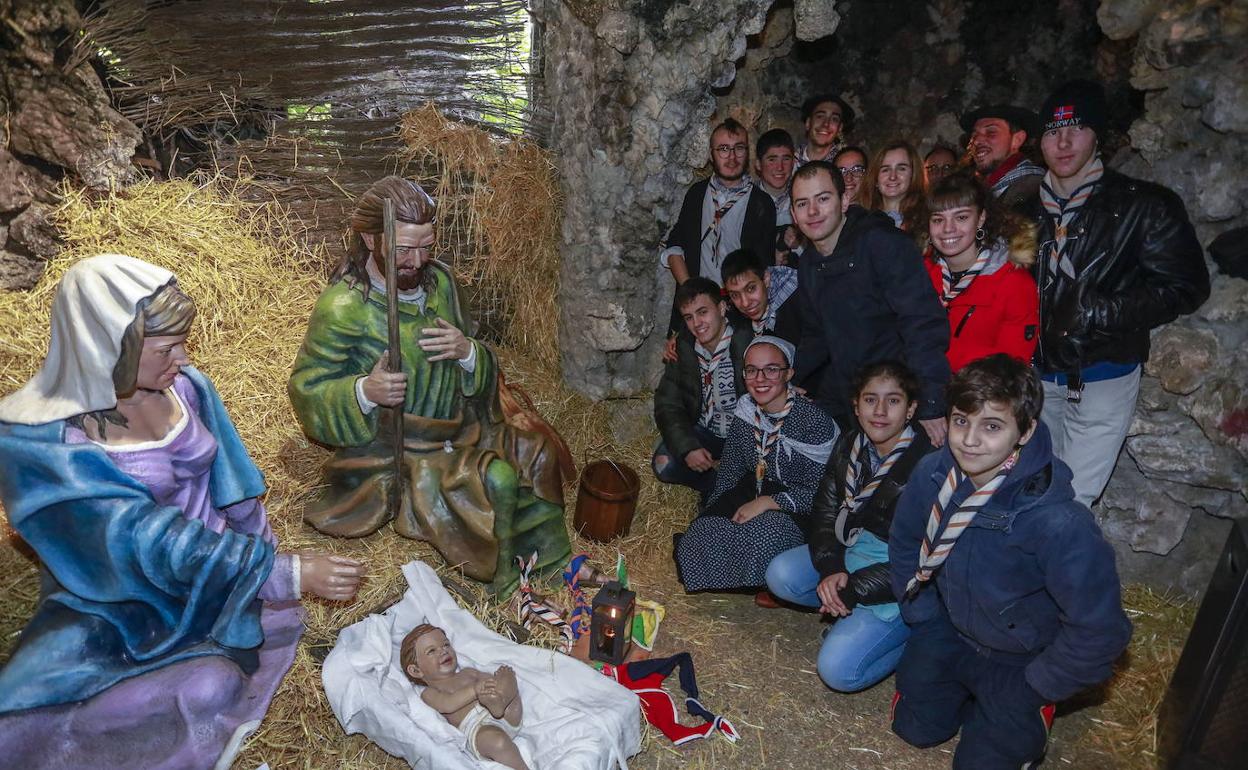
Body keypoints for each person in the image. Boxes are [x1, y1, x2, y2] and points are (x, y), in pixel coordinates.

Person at [0, 254, 365, 769]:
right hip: (119, 599)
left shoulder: (186, 387)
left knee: (211, 687)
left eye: (182, 342)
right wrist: (279, 574)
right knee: (26, 711)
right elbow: (136, 539)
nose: (184, 356)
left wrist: (264, 553)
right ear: (110, 350)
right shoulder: (48, 445)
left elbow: (232, 483)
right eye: (167, 347)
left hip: (214, 583)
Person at [288, 176, 571, 594]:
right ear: (371, 239)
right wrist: (366, 391)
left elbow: (480, 360)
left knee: (539, 453)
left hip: (465, 427)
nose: (418, 261)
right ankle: (507, 580)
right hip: (401, 450)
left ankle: (554, 564)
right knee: (497, 481)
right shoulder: (345, 308)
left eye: (426, 246)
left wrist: (468, 352)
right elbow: (306, 388)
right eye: (404, 249)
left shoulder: (442, 283)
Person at [888, 353, 1132, 770]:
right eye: (961, 420)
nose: (969, 440)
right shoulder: (934, 474)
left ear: (1026, 431)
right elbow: (906, 542)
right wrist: (923, 615)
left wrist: (1037, 685)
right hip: (949, 628)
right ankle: (967, 700)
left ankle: (1017, 716)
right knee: (914, 730)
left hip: (1018, 656)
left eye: (993, 426)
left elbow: (1100, 630)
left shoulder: (1059, 522)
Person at [1034, 80, 1209, 506]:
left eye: (1077, 128)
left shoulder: (1144, 205)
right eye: (1053, 131)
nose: (1063, 141)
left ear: (1097, 136)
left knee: (1071, 502)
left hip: (1103, 370)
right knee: (1035, 491)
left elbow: (1187, 287)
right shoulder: (1025, 209)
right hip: (1039, 376)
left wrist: (1100, 311)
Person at [765, 361, 933, 692]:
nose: (880, 411)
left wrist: (852, 588)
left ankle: (908, 634)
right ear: (856, 407)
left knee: (838, 672)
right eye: (870, 400)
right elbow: (825, 511)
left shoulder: (928, 465)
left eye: (894, 401)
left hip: (898, 574)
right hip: (851, 546)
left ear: (911, 409)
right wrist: (830, 567)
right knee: (780, 574)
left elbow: (918, 562)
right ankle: (842, 607)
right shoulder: (850, 444)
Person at [789, 161, 951, 445]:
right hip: (849, 397)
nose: (812, 211)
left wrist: (932, 401)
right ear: (793, 213)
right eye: (802, 204)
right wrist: (790, 381)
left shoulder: (883, 244)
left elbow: (922, 322)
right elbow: (816, 336)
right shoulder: (809, 264)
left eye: (823, 199)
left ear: (844, 200)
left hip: (898, 400)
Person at [673, 336, 838, 593]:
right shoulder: (747, 410)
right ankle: (743, 579)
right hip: (756, 486)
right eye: (752, 370)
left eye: (771, 369)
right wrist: (714, 509)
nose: (760, 379)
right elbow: (731, 468)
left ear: (789, 374)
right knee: (703, 532)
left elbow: (822, 494)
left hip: (799, 506)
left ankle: (763, 580)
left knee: (766, 533)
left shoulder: (812, 422)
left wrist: (768, 503)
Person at [660, 117, 777, 342]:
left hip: (739, 310)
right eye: (723, 149)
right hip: (697, 309)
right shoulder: (697, 194)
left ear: (747, 152)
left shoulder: (762, 204)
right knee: (688, 373)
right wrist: (691, 292)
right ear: (711, 154)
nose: (731, 157)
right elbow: (676, 244)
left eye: (739, 148)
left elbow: (762, 264)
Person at [923, 174, 1039, 372]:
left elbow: (1011, 367)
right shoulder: (918, 273)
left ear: (981, 218)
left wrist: (936, 352)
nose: (948, 229)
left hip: (981, 397)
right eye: (938, 219)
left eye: (961, 217)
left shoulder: (1013, 282)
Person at [652, 277, 751, 497]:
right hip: (706, 432)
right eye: (689, 317)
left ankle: (727, 488)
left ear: (722, 308)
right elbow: (667, 404)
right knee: (663, 464)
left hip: (743, 436)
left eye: (703, 312)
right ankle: (715, 485)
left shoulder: (746, 343)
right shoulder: (683, 349)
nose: (697, 323)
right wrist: (688, 448)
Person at [401, 624, 527, 770]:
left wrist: (498, 686)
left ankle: (499, 702)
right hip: (479, 728)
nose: (443, 651)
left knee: (507, 674)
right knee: (498, 742)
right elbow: (447, 704)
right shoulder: (430, 692)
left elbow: (490, 681)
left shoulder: (468, 672)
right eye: (432, 651)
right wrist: (474, 690)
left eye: (446, 644)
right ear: (416, 671)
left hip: (505, 711)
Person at [961, 104, 1044, 212]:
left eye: (991, 132)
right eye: (974, 135)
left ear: (1017, 140)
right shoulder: (979, 187)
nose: (976, 141)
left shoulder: (1033, 192)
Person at [720, 248, 801, 343]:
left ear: (766, 278)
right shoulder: (738, 319)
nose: (745, 303)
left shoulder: (799, 301)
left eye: (751, 289)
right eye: (735, 295)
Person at [754, 128, 801, 266]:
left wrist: (800, 241)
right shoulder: (746, 202)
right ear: (758, 164)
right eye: (772, 159)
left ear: (794, 162)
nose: (780, 167)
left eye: (786, 159)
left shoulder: (803, 201)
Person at [863, 140, 928, 235]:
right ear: (876, 178)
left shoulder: (928, 221)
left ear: (913, 175)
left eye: (901, 169)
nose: (892, 176)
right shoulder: (862, 222)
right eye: (885, 170)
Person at [797, 94, 855, 165]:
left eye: (834, 119)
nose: (826, 124)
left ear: (840, 128)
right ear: (808, 123)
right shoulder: (788, 163)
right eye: (820, 116)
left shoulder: (845, 167)